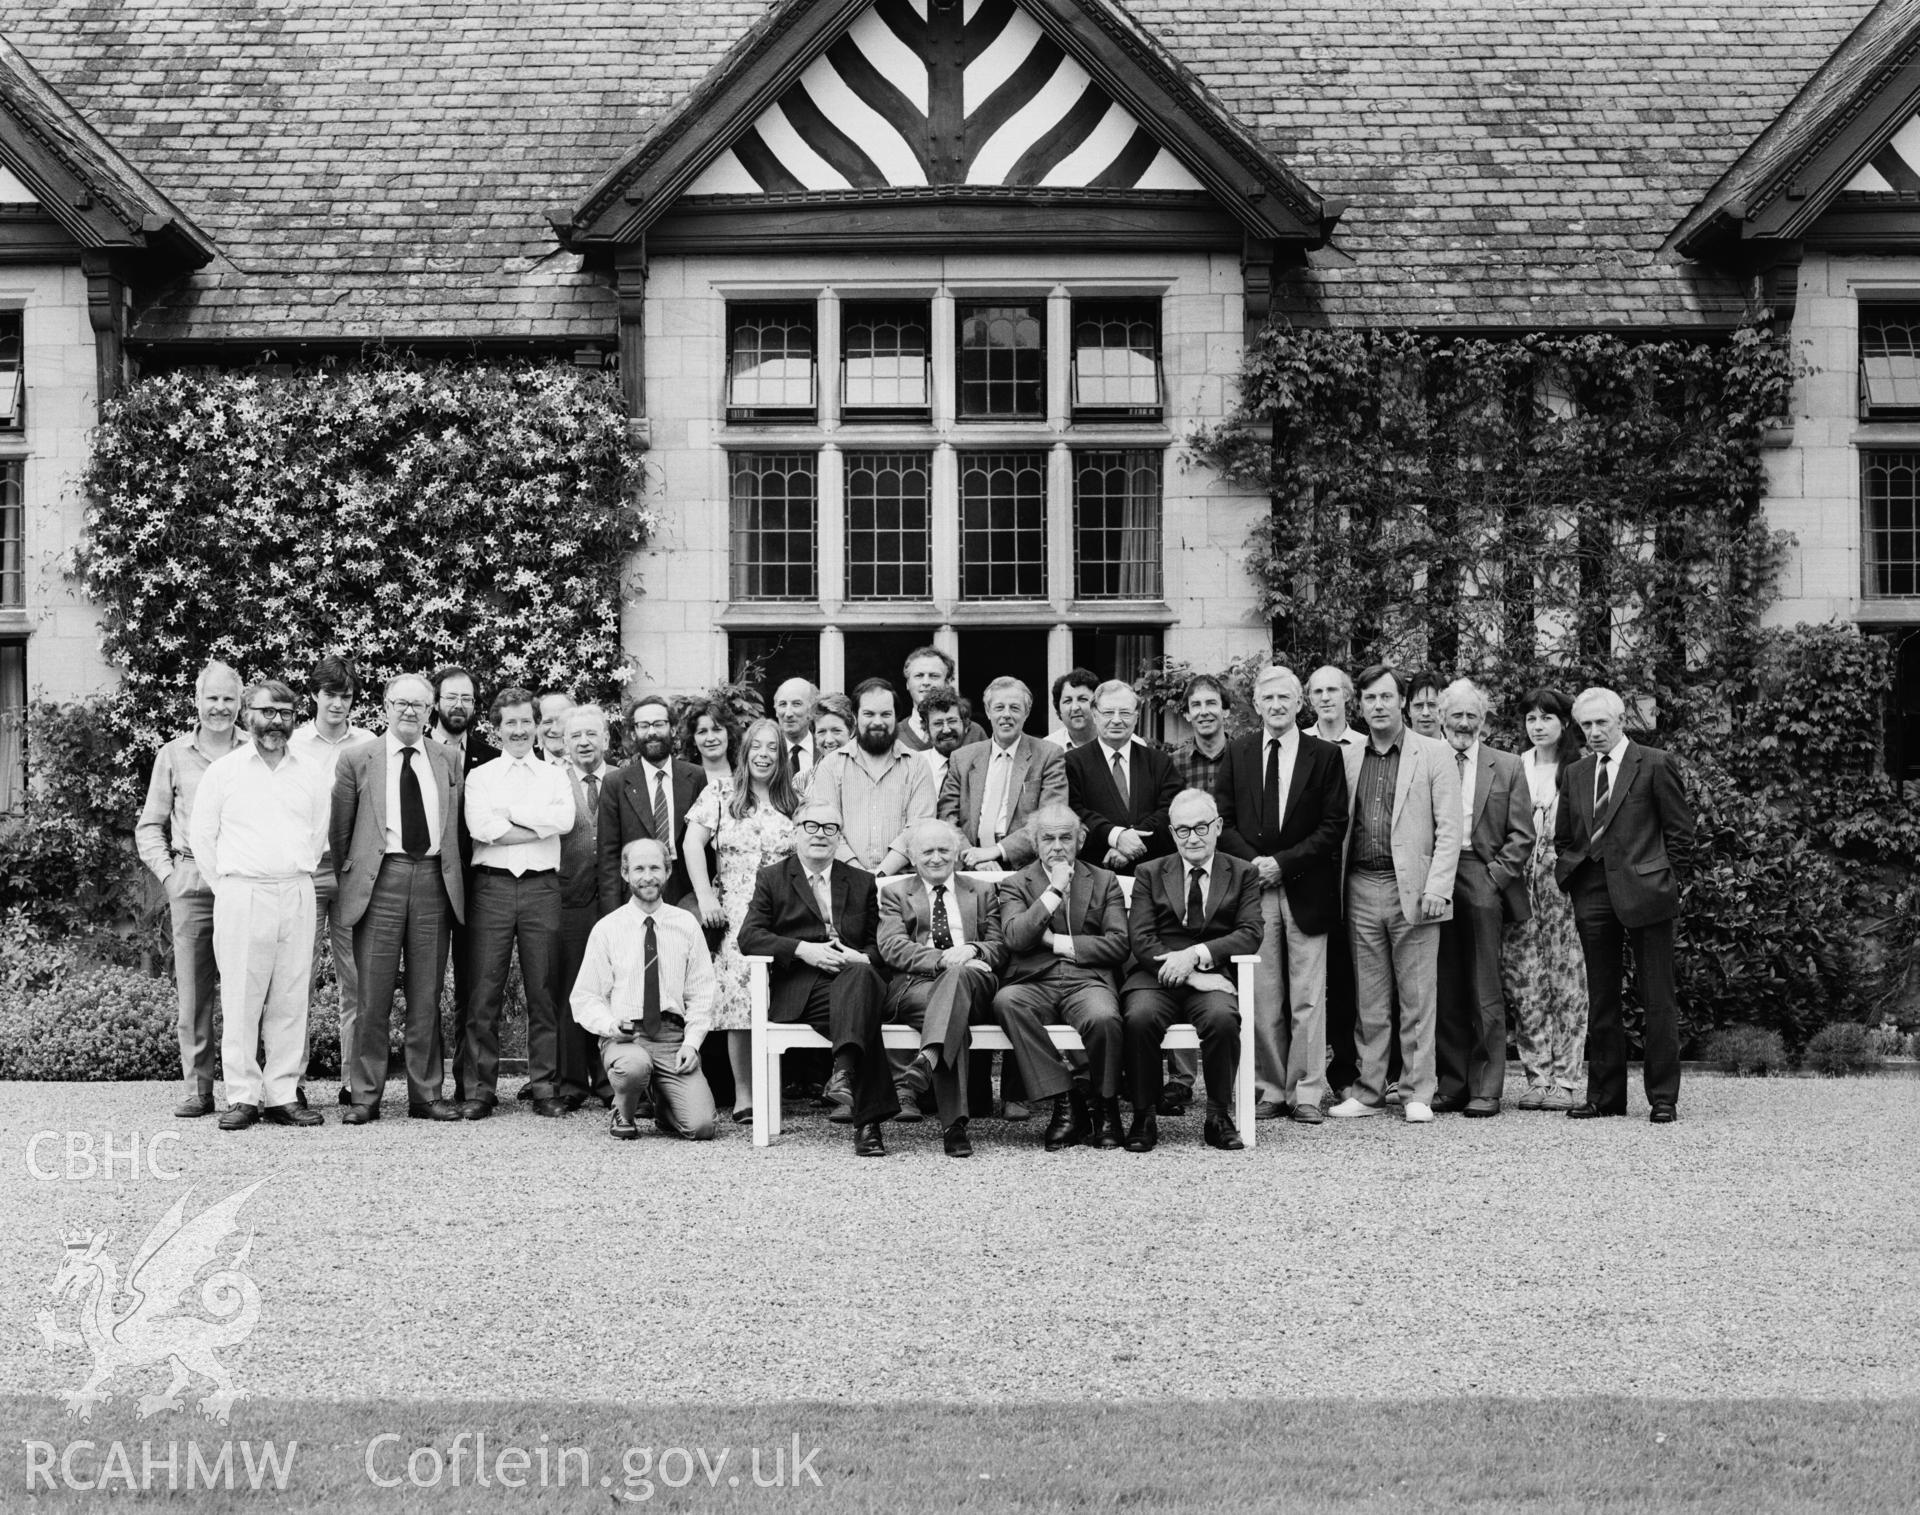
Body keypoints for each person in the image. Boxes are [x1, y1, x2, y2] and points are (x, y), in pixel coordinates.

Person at [188, 679, 331, 1131]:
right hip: (242, 892)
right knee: (242, 997)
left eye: (286, 713)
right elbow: (202, 837)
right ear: (247, 714)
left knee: (291, 995)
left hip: (295, 888)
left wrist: (294, 871)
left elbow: (317, 832)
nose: (276, 722)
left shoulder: (308, 771)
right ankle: (243, 1097)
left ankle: (283, 1095)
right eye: (267, 712)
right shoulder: (225, 772)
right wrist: (227, 885)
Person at [1554, 687, 1696, 1124]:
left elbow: (1681, 834)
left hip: (1647, 891)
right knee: (1601, 999)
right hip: (1592, 892)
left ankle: (1663, 1098)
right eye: (1586, 726)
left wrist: (1668, 881)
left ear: (1620, 721)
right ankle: (1605, 1096)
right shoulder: (1576, 773)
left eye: (1602, 723)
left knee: (1657, 998)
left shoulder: (1653, 763)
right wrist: (1574, 877)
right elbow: (1565, 835)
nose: (1594, 732)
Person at [1328, 665, 1462, 1125]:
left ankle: (1417, 1091)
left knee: (1419, 997)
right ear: (1359, 705)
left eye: (1386, 697)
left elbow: (1450, 828)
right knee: (1370, 1000)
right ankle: (1368, 1091)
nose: (1378, 706)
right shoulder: (1347, 758)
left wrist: (1438, 888)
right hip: (1361, 886)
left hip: (1416, 889)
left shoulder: (1434, 754)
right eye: (1369, 699)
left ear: (1402, 701)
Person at [1217, 664, 1349, 1125]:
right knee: (1264, 995)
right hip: (1255, 890)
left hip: (1305, 886)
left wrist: (1284, 863)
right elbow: (1224, 822)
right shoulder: (1239, 753)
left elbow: (1334, 825)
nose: (1276, 706)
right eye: (1267, 699)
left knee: (1310, 997)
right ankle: (1270, 1089)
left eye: (1285, 699)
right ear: (1256, 705)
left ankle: (1307, 1092)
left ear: (1300, 704)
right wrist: (1257, 865)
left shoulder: (1324, 755)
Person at [333, 673, 467, 1123]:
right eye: (400, 703)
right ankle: (365, 1096)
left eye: (418, 704)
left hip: (432, 880)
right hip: (381, 880)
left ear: (430, 711)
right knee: (372, 993)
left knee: (426, 992)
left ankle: (426, 1094)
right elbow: (341, 831)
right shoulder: (357, 759)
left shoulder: (448, 759)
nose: (409, 711)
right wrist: (354, 881)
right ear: (385, 706)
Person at [737, 799, 901, 1157]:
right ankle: (864, 1116)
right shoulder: (773, 878)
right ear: (796, 831)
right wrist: (802, 950)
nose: (820, 835)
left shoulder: (861, 881)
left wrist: (859, 956)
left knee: (861, 974)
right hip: (802, 988)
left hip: (855, 979)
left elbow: (879, 946)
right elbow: (748, 937)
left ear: (839, 837)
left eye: (830, 828)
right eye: (811, 826)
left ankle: (845, 1078)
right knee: (866, 1010)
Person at [1119, 789, 1263, 1152]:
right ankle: (1144, 1115)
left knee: (1223, 1019)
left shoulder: (1242, 872)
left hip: (1211, 975)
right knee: (1139, 1018)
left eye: (1201, 827)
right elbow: (1141, 938)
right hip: (1156, 977)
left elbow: (1250, 933)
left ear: (1217, 827)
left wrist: (1197, 955)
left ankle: (1217, 1116)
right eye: (1182, 830)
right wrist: (1192, 974)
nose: (1192, 837)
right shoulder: (1149, 872)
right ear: (1171, 832)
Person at [136, 660, 247, 1119]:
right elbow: (149, 826)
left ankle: (249, 1090)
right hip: (194, 882)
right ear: (197, 701)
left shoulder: (256, 750)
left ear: (240, 703)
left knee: (249, 988)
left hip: (245, 883)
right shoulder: (173, 755)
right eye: (212, 698)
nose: (220, 707)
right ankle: (199, 1089)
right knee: (195, 993)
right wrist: (170, 876)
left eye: (228, 699)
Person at [459, 686, 576, 1120]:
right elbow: (482, 828)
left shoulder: (554, 775)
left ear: (537, 724)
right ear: (497, 727)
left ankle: (545, 1085)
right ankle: (480, 1090)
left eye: (527, 721)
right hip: (491, 888)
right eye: (511, 722)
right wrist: (536, 825)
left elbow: (563, 821)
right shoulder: (481, 776)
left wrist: (509, 816)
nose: (521, 729)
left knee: (543, 991)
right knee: (483, 991)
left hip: (541, 889)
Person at [683, 716, 800, 1123]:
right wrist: (704, 896)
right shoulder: (720, 794)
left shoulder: (794, 800)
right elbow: (692, 842)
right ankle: (745, 1095)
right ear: (744, 752)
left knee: (780, 999)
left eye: (772, 748)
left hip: (785, 913)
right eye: (757, 747)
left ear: (781, 756)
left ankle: (780, 1088)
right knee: (738, 1002)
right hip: (733, 911)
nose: (763, 755)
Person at [994, 804, 1128, 1149]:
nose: (1057, 846)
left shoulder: (1103, 880)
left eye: (1065, 837)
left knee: (1104, 1018)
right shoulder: (1015, 884)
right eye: (1048, 838)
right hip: (1034, 981)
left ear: (1080, 840)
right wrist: (1053, 892)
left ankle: (1107, 1106)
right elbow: (1016, 938)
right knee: (1007, 1002)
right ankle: (1066, 1101)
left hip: (1087, 979)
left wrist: (1057, 942)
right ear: (1034, 843)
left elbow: (1118, 945)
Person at [570, 839, 719, 1141]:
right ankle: (623, 1110)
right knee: (634, 1067)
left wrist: (691, 1043)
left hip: (671, 1037)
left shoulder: (686, 924)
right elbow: (585, 997)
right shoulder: (608, 928)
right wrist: (611, 1026)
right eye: (638, 868)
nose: (647, 876)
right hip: (627, 1036)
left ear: (667, 871)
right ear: (625, 874)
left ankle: (666, 1107)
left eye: (655, 868)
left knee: (701, 1127)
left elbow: (702, 992)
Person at [1432, 679, 1534, 1117]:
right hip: (1434, 873)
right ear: (1441, 717)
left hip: (1481, 872)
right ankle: (1452, 1083)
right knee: (1443, 984)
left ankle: (1487, 1086)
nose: (1464, 723)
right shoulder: (1426, 758)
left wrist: (1493, 878)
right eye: (1456, 714)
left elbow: (1522, 834)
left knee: (1484, 986)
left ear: (1484, 720)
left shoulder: (1507, 765)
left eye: (1473, 715)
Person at [876, 819, 1008, 1157]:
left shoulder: (981, 891)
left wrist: (975, 950)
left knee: (957, 985)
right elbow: (892, 947)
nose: (936, 857)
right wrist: (946, 959)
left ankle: (928, 1058)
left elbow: (1000, 945)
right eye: (927, 851)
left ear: (957, 854)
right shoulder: (895, 893)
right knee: (952, 1017)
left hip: (974, 982)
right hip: (916, 987)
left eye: (944, 850)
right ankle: (954, 1127)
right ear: (912, 856)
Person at [290, 654, 376, 1103]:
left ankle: (352, 1081)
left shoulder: (368, 745)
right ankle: (292, 1083)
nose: (338, 704)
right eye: (330, 695)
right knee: (296, 978)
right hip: (304, 869)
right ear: (314, 696)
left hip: (350, 872)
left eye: (345, 696)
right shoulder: (294, 744)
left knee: (355, 981)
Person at [1502, 688, 1587, 1111]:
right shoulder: (1515, 766)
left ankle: (1567, 1080)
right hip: (1519, 881)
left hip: (1563, 884)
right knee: (1524, 979)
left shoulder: (1578, 768)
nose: (1537, 726)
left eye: (1546, 718)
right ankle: (1537, 1076)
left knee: (1567, 979)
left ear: (1564, 723)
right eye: (1531, 718)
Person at [1165, 671, 1235, 1112]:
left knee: (1229, 981)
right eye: (1196, 706)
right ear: (1187, 715)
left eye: (1212, 704)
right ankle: (1181, 1079)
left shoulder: (1243, 756)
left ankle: (1232, 1084)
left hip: (1231, 877)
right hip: (1188, 877)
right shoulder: (1175, 763)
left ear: (1225, 710)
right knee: (1179, 959)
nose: (1204, 712)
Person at [429, 663, 498, 1105]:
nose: (459, 705)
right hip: (430, 883)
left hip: (478, 886)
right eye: (452, 697)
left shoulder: (490, 757)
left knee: (475, 987)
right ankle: (426, 1083)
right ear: (436, 701)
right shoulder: (417, 750)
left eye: (467, 699)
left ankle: (471, 1083)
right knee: (426, 986)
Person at [804, 678, 934, 876]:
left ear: (896, 717)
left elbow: (918, 828)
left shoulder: (917, 765)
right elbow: (827, 827)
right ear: (855, 718)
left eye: (886, 714)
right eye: (869, 714)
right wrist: (860, 877)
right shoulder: (830, 766)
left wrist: (882, 873)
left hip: (904, 884)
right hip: (845, 881)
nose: (877, 722)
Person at [553, 703, 615, 1111]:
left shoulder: (622, 781)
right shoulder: (553, 782)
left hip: (614, 900)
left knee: (616, 987)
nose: (584, 742)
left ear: (606, 739)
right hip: (569, 899)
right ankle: (573, 1080)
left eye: (591, 734)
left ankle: (612, 1077)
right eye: (575, 735)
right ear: (564, 742)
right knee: (572, 987)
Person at [939, 675, 1066, 871]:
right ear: (988, 711)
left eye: (1014, 708)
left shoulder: (1049, 755)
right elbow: (947, 817)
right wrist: (974, 857)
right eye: (999, 707)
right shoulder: (962, 758)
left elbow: (1049, 819)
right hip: (970, 865)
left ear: (1027, 712)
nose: (1006, 714)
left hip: (1024, 867)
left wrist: (997, 851)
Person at [598, 692, 708, 912]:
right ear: (633, 732)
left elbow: (708, 848)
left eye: (659, 724)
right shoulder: (615, 784)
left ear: (673, 729)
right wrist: (613, 914)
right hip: (636, 890)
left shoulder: (696, 777)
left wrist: (705, 895)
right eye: (643, 725)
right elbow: (608, 857)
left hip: (686, 890)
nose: (652, 732)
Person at [1065, 680, 1180, 872]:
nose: (1117, 720)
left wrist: (1129, 845)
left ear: (1137, 716)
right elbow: (1073, 811)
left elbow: (1171, 811)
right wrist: (1115, 836)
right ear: (1094, 714)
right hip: (1093, 875)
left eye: (1125, 712)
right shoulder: (1072, 763)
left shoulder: (1160, 762)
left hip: (1154, 875)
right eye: (1108, 712)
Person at [895, 646, 986, 751]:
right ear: (907, 683)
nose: (926, 682)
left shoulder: (974, 733)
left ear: (947, 683)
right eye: (919, 676)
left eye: (934, 676)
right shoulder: (893, 736)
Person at [678, 696, 739, 793]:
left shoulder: (745, 775)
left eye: (717, 730)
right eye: (702, 732)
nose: (710, 738)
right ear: (693, 739)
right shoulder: (682, 779)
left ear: (729, 734)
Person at [917, 684, 968, 792]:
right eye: (938, 723)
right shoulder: (915, 765)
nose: (946, 730)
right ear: (926, 729)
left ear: (966, 725)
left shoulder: (978, 764)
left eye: (952, 721)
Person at [772, 677, 820, 777]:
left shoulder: (825, 750)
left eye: (796, 704)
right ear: (776, 711)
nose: (788, 713)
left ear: (812, 710)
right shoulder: (767, 752)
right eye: (782, 704)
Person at [1046, 667, 1101, 749]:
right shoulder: (1048, 748)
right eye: (1068, 701)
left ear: (1097, 704)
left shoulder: (1112, 742)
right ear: (1059, 708)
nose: (1075, 707)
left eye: (1082, 699)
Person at [811, 693, 854, 762]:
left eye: (836, 731)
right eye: (821, 732)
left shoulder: (868, 772)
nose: (829, 740)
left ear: (851, 731)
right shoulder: (807, 773)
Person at [536, 691, 575, 765]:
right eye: (548, 722)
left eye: (562, 721)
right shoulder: (525, 770)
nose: (555, 729)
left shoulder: (595, 763)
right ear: (538, 726)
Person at [1405, 669, 1445, 741]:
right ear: (1408, 710)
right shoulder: (1397, 751)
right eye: (1418, 705)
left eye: (1432, 705)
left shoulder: (1455, 751)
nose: (1425, 713)